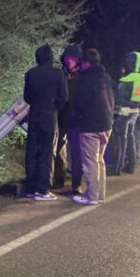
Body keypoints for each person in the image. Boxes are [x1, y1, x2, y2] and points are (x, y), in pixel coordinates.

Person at [23, 43, 68, 201]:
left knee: (32, 152)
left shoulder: (30, 74)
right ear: (50, 58)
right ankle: (42, 190)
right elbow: (63, 97)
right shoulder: (58, 74)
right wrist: (53, 107)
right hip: (49, 117)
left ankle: (30, 187)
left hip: (34, 115)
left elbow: (27, 97)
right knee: (47, 153)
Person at [72, 49, 115, 205]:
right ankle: (100, 194)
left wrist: (78, 116)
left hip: (90, 125)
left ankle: (92, 196)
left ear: (86, 63)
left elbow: (79, 102)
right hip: (107, 124)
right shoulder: (106, 78)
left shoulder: (87, 79)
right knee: (99, 160)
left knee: (90, 162)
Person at [110, 52, 140, 175]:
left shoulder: (126, 79)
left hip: (123, 112)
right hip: (135, 113)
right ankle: (131, 165)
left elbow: (118, 98)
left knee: (120, 139)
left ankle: (116, 168)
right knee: (130, 137)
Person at [54, 44, 84, 194]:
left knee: (76, 152)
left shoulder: (83, 77)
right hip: (62, 117)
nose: (69, 62)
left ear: (78, 60)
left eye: (72, 59)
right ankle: (59, 179)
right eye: (67, 59)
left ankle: (76, 184)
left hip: (76, 119)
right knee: (59, 149)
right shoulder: (63, 75)